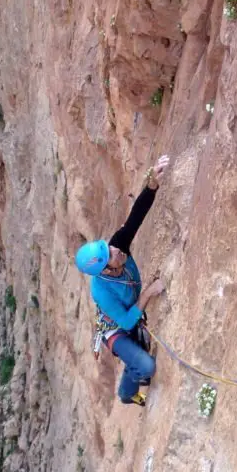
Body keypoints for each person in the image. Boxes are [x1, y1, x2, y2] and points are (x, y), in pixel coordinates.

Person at [75, 156, 169, 406]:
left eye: (111, 248)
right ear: (104, 268)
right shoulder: (101, 291)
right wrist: (148, 292)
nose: (118, 251)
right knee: (146, 366)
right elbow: (126, 320)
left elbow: (136, 217)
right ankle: (127, 394)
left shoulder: (117, 246)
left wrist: (151, 185)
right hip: (115, 331)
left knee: (142, 354)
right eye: (112, 255)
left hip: (128, 313)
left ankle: (136, 365)